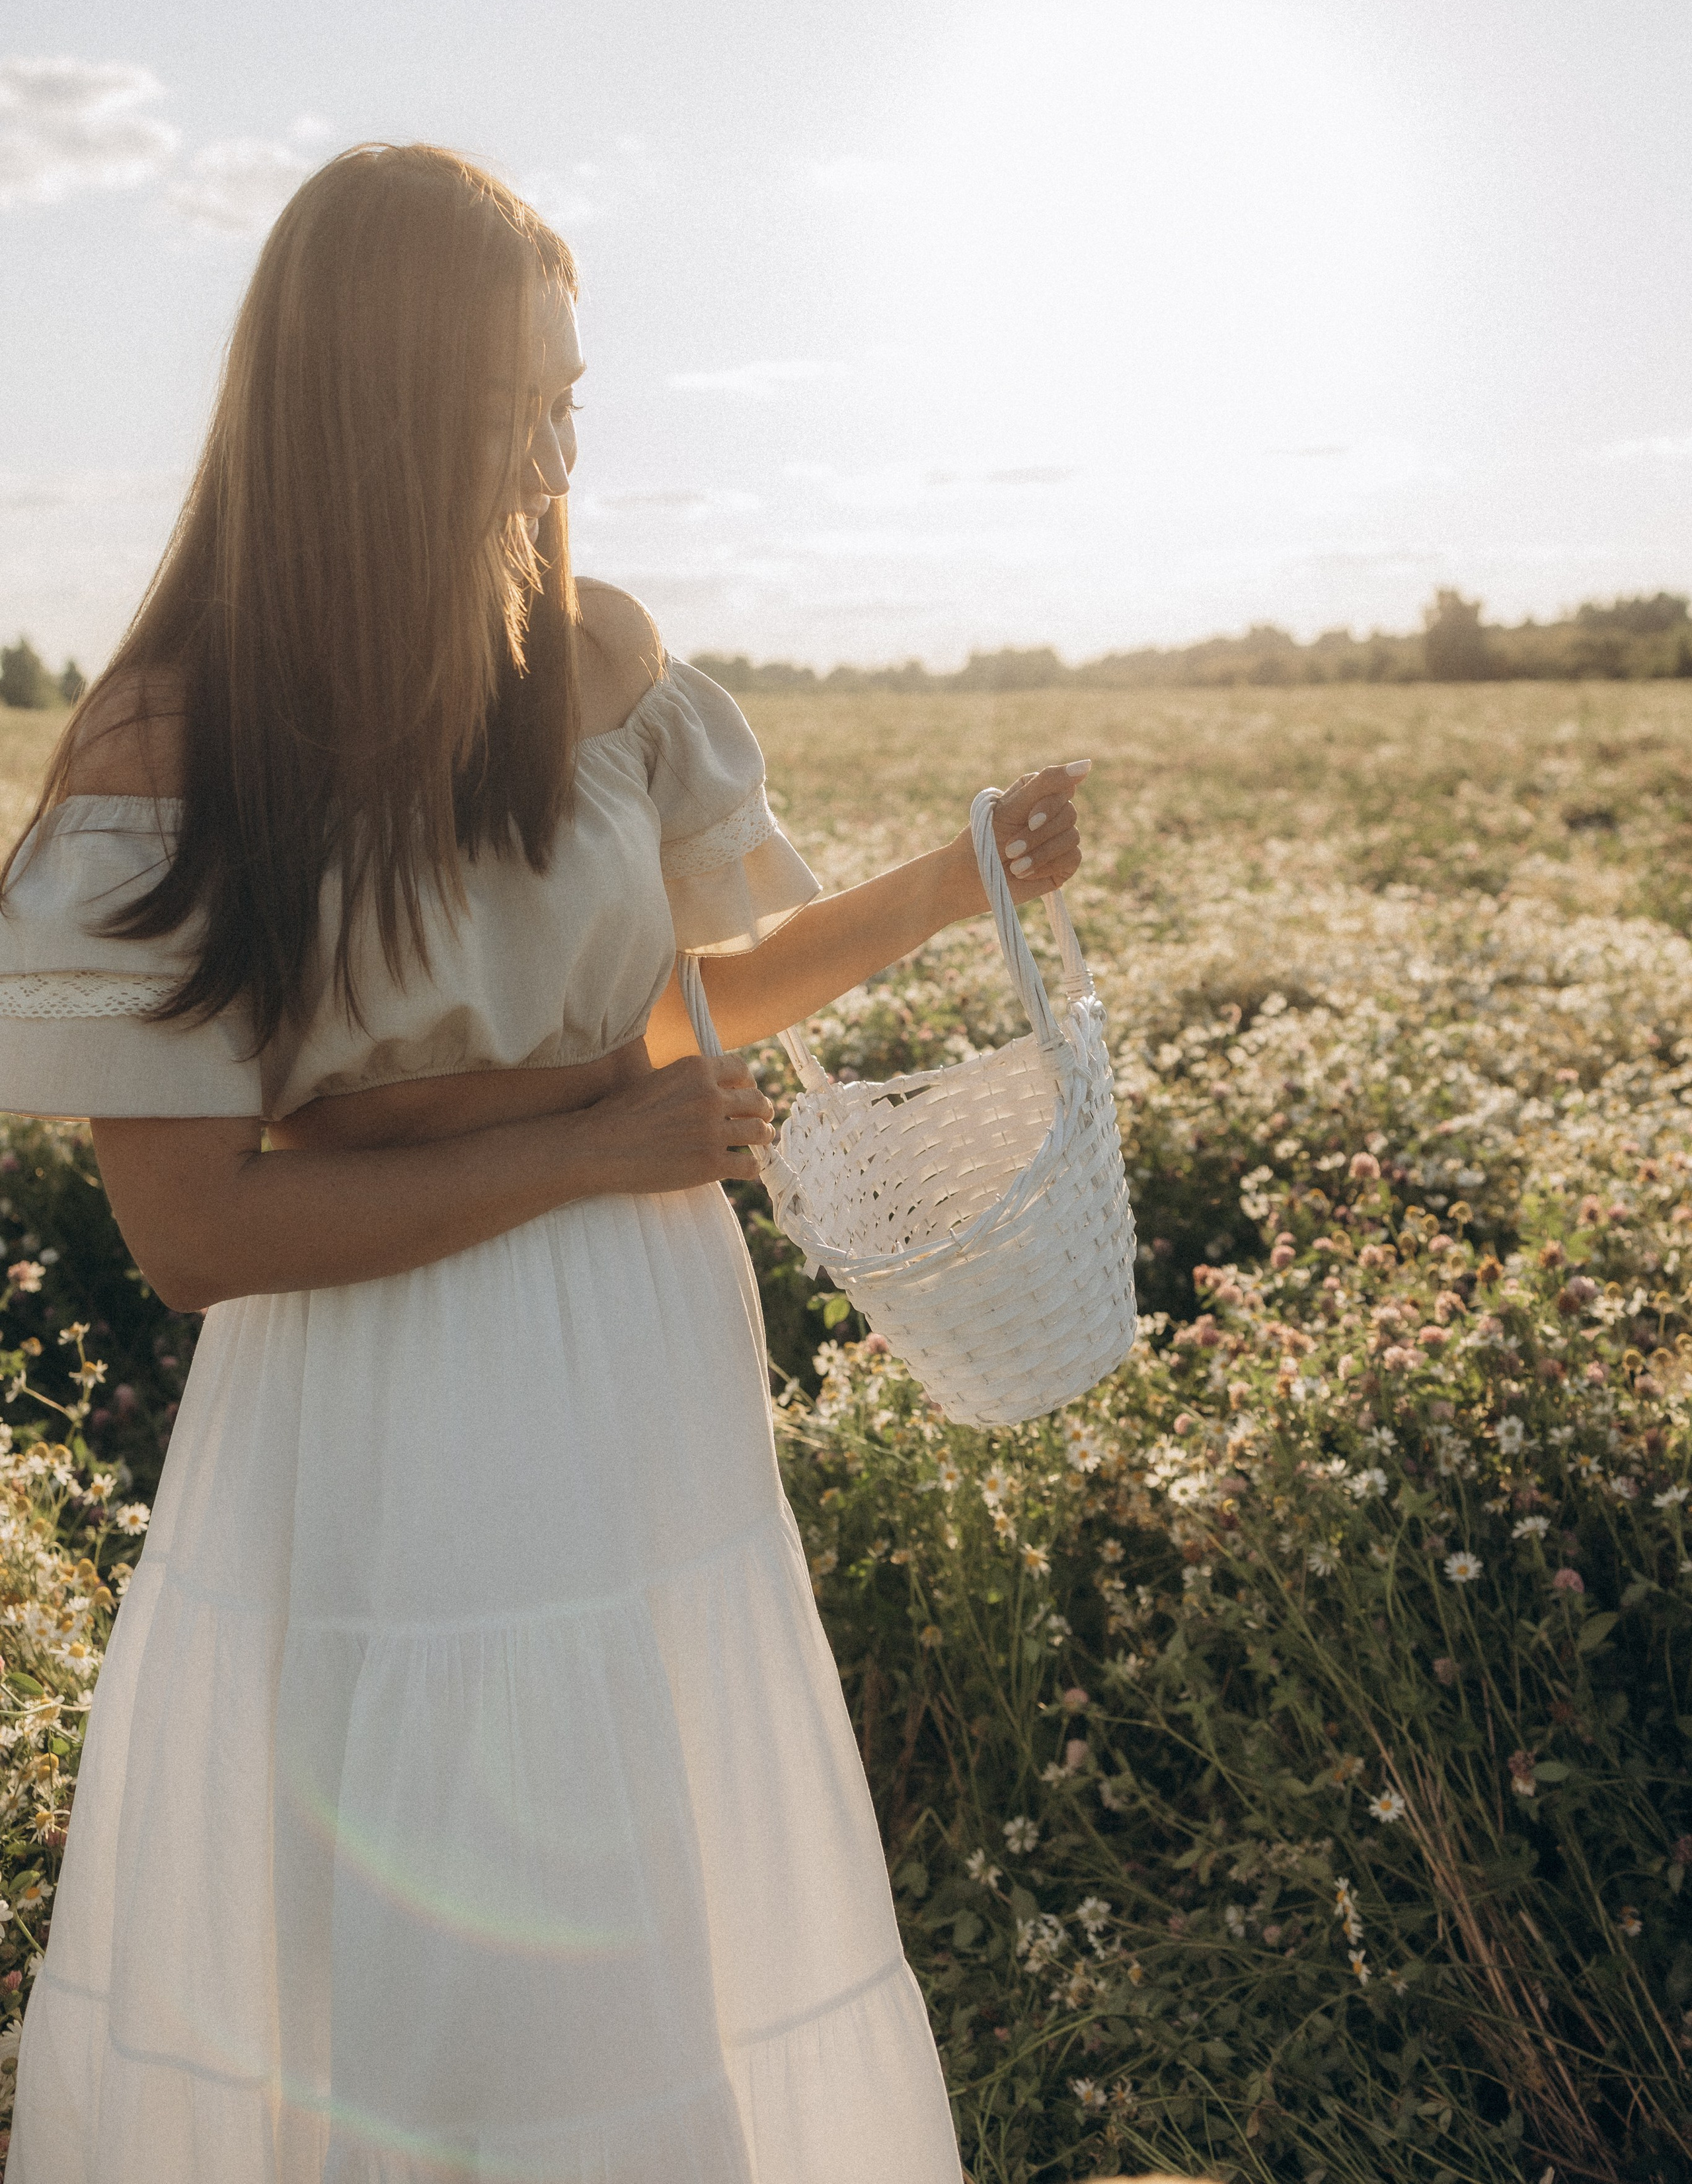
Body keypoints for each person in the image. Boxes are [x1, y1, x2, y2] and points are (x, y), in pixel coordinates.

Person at [0, 143, 1090, 2183]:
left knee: (643, 1902)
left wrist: (952, 887)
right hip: (396, 1401)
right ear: (372, 402)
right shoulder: (177, 740)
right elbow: (199, 1225)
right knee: (441, 1966)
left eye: (574, 386)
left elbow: (700, 992)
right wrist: (591, 1141)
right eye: (521, 397)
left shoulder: (588, 658)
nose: (563, 436)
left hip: (644, 1355)